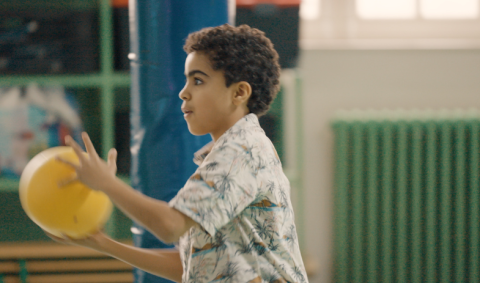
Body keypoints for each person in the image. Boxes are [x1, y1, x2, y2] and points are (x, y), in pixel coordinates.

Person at [51, 24, 308, 283]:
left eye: (198, 81)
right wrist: (103, 243)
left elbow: (170, 226)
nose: (183, 92)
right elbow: (193, 266)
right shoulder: (231, 152)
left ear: (239, 92)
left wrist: (107, 184)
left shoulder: (242, 151)